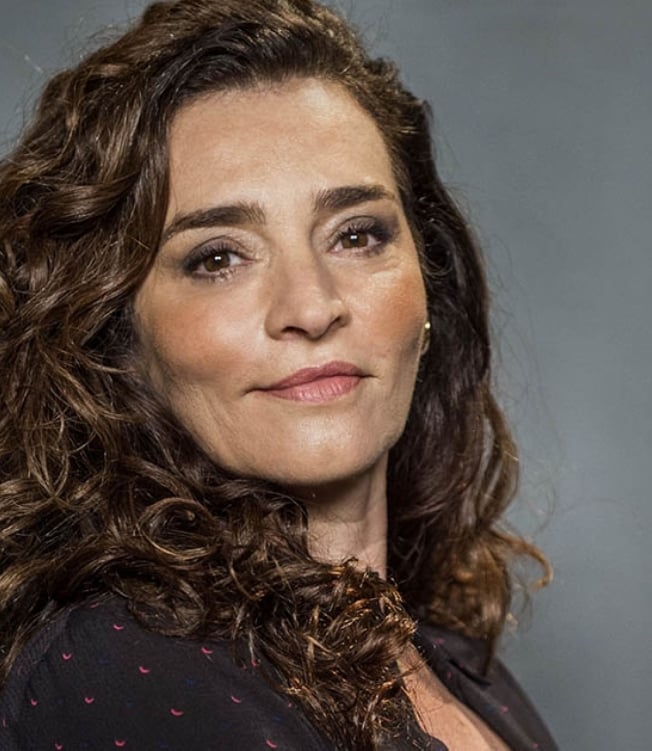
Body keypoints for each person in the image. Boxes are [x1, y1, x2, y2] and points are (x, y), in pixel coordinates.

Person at [0, 1, 557, 749]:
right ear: (115, 334)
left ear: (429, 284)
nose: (312, 307)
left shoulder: (454, 664)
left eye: (356, 235)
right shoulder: (124, 668)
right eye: (219, 257)